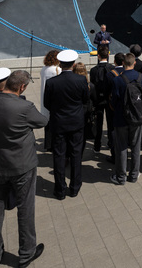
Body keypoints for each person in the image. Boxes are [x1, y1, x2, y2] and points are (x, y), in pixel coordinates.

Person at [0, 70, 47, 268]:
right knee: (25, 208)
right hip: (22, 165)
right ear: (22, 87)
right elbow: (43, 121)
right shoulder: (25, 106)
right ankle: (26, 253)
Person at [44, 50, 91, 200]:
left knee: (59, 156)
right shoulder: (81, 81)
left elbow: (47, 103)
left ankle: (60, 189)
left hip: (58, 123)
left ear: (60, 63)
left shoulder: (51, 82)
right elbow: (85, 100)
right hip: (76, 123)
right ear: (73, 64)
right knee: (76, 155)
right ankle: (75, 187)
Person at [110, 53, 142, 185]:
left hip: (121, 118)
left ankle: (121, 176)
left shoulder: (117, 80)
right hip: (137, 116)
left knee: (121, 147)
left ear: (123, 63)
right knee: (136, 146)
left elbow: (114, 100)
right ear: (134, 62)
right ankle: (134, 174)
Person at [89, 46, 114, 154]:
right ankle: (111, 143)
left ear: (98, 56)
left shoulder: (93, 70)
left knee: (98, 124)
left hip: (98, 99)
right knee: (111, 123)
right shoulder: (112, 68)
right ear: (108, 55)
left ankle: (97, 145)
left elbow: (92, 86)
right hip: (109, 99)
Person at [39, 50, 61, 152]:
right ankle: (54, 144)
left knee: (47, 123)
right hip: (54, 98)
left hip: (44, 96)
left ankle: (48, 144)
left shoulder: (43, 69)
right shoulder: (56, 70)